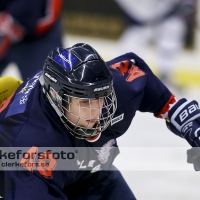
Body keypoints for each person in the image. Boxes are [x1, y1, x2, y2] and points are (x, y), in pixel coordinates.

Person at [0, 43, 200, 200]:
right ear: (56, 96)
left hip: (92, 176)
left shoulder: (116, 88)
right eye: (84, 102)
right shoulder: (31, 147)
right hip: (23, 182)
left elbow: (138, 73)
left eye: (100, 97)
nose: (96, 111)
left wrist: (183, 117)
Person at [114, 0, 196, 86]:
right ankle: (120, 76)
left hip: (165, 11)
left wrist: (187, 6)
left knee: (173, 28)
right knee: (135, 38)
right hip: (141, 14)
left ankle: (165, 77)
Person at [0, 0, 63, 80]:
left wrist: (20, 21)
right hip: (5, 28)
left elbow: (50, 15)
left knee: (46, 82)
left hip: (38, 39)